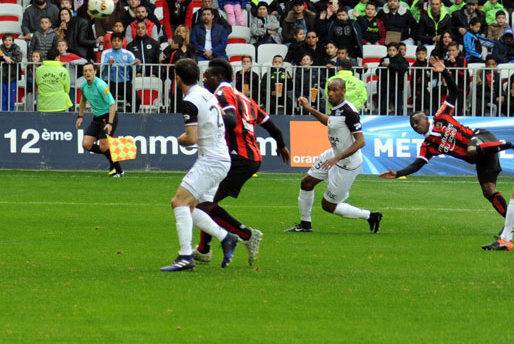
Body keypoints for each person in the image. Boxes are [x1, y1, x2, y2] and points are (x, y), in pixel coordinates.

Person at [379, 57, 512, 226]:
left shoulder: (441, 116)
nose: (414, 126)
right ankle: (510, 224)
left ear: (426, 119)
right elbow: (417, 165)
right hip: (482, 156)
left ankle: (508, 144)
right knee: (488, 191)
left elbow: (454, 92)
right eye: (412, 125)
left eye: (417, 122)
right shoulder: (428, 146)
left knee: (471, 149)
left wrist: (445, 72)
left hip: (482, 137)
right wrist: (398, 173)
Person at [191, 59, 290, 264]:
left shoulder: (221, 94)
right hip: (251, 158)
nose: (204, 78)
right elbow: (273, 127)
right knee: (207, 201)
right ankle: (203, 249)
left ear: (218, 77)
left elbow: (231, 120)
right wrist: (281, 145)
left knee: (204, 203)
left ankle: (245, 235)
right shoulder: (245, 99)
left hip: (236, 156)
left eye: (207, 75)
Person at [161, 59, 240, 272]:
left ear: (177, 78)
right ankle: (227, 237)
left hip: (211, 160)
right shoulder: (207, 94)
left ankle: (185, 256)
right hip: (221, 158)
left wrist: (180, 139)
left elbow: (192, 138)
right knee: (191, 206)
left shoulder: (189, 101)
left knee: (179, 202)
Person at [285, 79, 382, 234]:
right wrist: (310, 109)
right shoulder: (336, 108)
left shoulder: (350, 112)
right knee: (307, 183)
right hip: (333, 154)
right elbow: (330, 121)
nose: (330, 93)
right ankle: (305, 225)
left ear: (343, 91)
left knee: (328, 205)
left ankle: (370, 216)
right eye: (329, 90)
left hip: (347, 163)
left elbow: (361, 141)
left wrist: (337, 158)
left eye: (335, 90)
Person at [76, 61, 124, 177]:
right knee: (86, 144)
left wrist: (110, 123)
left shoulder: (101, 85)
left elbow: (112, 104)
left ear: (95, 72)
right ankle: (109, 153)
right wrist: (80, 116)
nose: (88, 73)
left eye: (90, 70)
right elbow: (83, 100)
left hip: (108, 117)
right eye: (85, 71)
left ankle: (119, 171)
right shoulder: (83, 86)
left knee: (103, 146)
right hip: (97, 118)